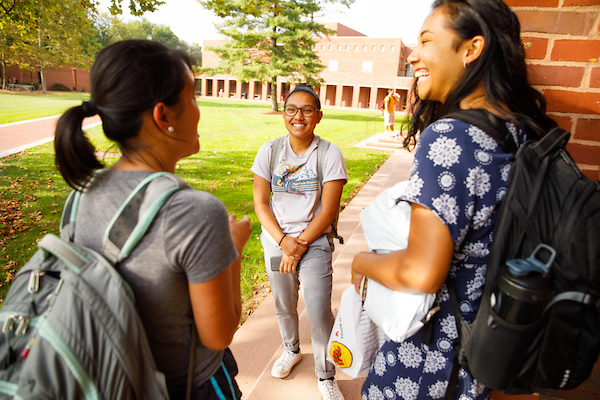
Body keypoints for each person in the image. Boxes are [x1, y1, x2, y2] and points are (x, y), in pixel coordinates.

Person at [351, 1, 557, 399]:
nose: (413, 55)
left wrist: (362, 263)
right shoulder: (518, 131)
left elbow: (421, 272)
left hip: (428, 357)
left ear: (471, 49)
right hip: (476, 352)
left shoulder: (450, 138)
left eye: (426, 41)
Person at [54, 40, 252, 400]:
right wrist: (233, 249)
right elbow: (219, 335)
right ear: (163, 116)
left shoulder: (79, 197)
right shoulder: (194, 212)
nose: (197, 109)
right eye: (192, 98)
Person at [251, 83, 348, 400]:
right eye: (292, 109)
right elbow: (261, 203)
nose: (299, 116)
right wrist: (282, 241)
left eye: (307, 110)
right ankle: (291, 350)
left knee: (319, 310)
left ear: (318, 116)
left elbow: (330, 209)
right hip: (277, 241)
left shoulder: (329, 153)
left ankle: (326, 374)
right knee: (283, 303)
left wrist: (299, 244)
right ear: (283, 113)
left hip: (315, 241)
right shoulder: (270, 151)